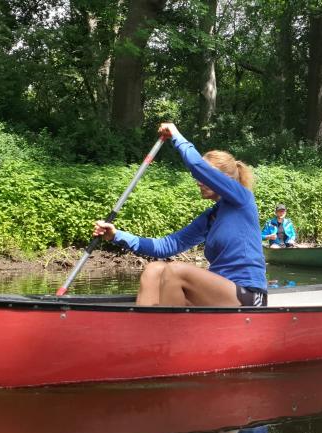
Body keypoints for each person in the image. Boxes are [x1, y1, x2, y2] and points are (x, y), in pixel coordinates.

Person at [92, 123, 267, 307]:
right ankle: (146, 324)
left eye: (205, 177)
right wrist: (116, 235)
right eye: (199, 178)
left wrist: (175, 135)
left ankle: (170, 324)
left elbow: (196, 165)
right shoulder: (210, 217)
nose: (199, 181)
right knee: (154, 270)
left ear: (225, 180)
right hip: (218, 293)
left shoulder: (242, 198)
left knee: (175, 271)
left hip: (249, 294)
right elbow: (165, 246)